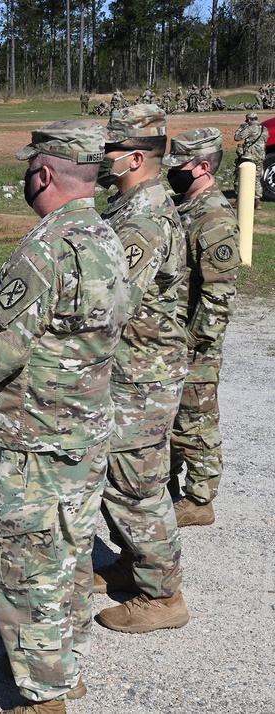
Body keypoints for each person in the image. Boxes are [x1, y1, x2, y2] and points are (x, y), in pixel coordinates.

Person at [0, 120, 130, 714]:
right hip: (86, 430)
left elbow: (0, 348)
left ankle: (44, 693)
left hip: (37, 435)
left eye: (30, 168)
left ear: (45, 175)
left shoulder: (45, 248)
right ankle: (64, 661)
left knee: (28, 563)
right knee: (72, 548)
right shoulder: (108, 237)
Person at [93, 105, 189, 633]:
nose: (101, 157)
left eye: (109, 150)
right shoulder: (129, 206)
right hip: (135, 371)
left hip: (142, 377)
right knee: (123, 478)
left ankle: (163, 595)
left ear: (135, 157)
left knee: (136, 487)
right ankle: (134, 565)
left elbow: (112, 300)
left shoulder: (143, 220)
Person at [162, 128, 241, 527]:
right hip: (174, 336)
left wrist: (196, 343)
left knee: (196, 417)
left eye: (180, 165)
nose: (172, 171)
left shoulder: (214, 218)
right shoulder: (185, 207)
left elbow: (219, 293)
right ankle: (169, 484)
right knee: (173, 416)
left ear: (204, 167)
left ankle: (200, 498)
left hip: (194, 342)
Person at [233, 112, 268, 208]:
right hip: (260, 156)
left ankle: (238, 199)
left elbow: (237, 137)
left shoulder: (249, 128)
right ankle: (257, 201)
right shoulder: (264, 129)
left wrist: (241, 128)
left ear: (249, 120)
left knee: (240, 176)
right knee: (257, 178)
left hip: (249, 156)